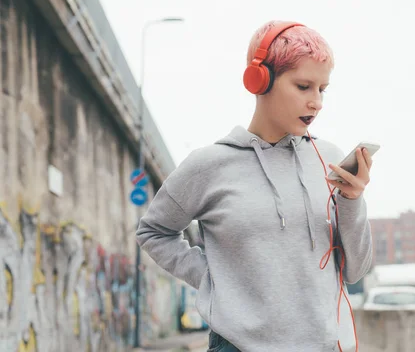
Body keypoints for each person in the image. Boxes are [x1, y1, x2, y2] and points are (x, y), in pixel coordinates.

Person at [136, 20, 374, 352]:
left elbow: (356, 270)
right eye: (304, 86)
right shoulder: (209, 165)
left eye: (322, 89)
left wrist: (352, 200)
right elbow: (153, 232)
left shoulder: (329, 159)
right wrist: (213, 279)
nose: (316, 102)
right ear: (259, 81)